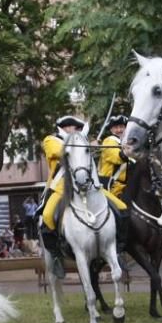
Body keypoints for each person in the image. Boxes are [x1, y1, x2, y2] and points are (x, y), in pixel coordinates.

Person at [38, 115, 128, 278]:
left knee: (121, 208)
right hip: (61, 188)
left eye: (79, 129)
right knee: (47, 216)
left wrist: (89, 147)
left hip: (88, 186)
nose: (77, 131)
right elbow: (59, 152)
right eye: (75, 128)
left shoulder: (79, 142)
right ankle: (57, 256)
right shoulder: (51, 140)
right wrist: (84, 145)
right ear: (65, 128)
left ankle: (118, 250)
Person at [98, 114, 130, 198]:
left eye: (121, 127)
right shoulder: (109, 141)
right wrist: (129, 152)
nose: (119, 130)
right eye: (115, 127)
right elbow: (117, 157)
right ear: (111, 130)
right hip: (112, 187)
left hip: (126, 186)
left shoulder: (126, 142)